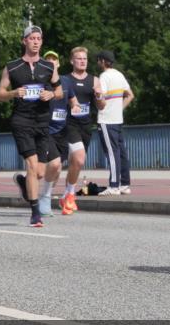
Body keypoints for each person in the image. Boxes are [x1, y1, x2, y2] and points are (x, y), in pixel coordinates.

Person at [0, 25, 61, 228]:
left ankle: (25, 184)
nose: (35, 41)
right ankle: (35, 213)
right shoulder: (12, 67)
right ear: (24, 41)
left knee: (40, 172)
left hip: (42, 122)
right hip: (21, 121)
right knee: (32, 166)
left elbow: (60, 91)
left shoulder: (49, 67)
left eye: (38, 38)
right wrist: (14, 93)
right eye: (32, 38)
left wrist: (51, 94)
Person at [60, 47, 104, 215]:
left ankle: (66, 195)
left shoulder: (94, 80)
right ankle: (71, 194)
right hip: (69, 124)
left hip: (86, 125)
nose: (82, 61)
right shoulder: (65, 80)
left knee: (76, 163)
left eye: (84, 58)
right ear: (72, 61)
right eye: (78, 58)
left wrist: (99, 96)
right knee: (79, 158)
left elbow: (101, 106)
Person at [96, 50, 133, 196]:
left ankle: (113, 185)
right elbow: (130, 95)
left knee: (112, 153)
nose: (98, 62)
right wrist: (120, 108)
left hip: (106, 119)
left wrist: (98, 99)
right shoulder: (119, 74)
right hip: (118, 119)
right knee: (121, 152)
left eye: (99, 60)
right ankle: (124, 184)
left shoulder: (104, 76)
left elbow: (101, 100)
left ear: (103, 61)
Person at [38, 50, 70, 215]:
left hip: (62, 132)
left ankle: (34, 189)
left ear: (58, 63)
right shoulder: (42, 83)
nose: (51, 62)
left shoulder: (66, 82)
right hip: (45, 130)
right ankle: (44, 197)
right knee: (54, 165)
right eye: (48, 60)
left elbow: (74, 100)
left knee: (54, 170)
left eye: (54, 60)